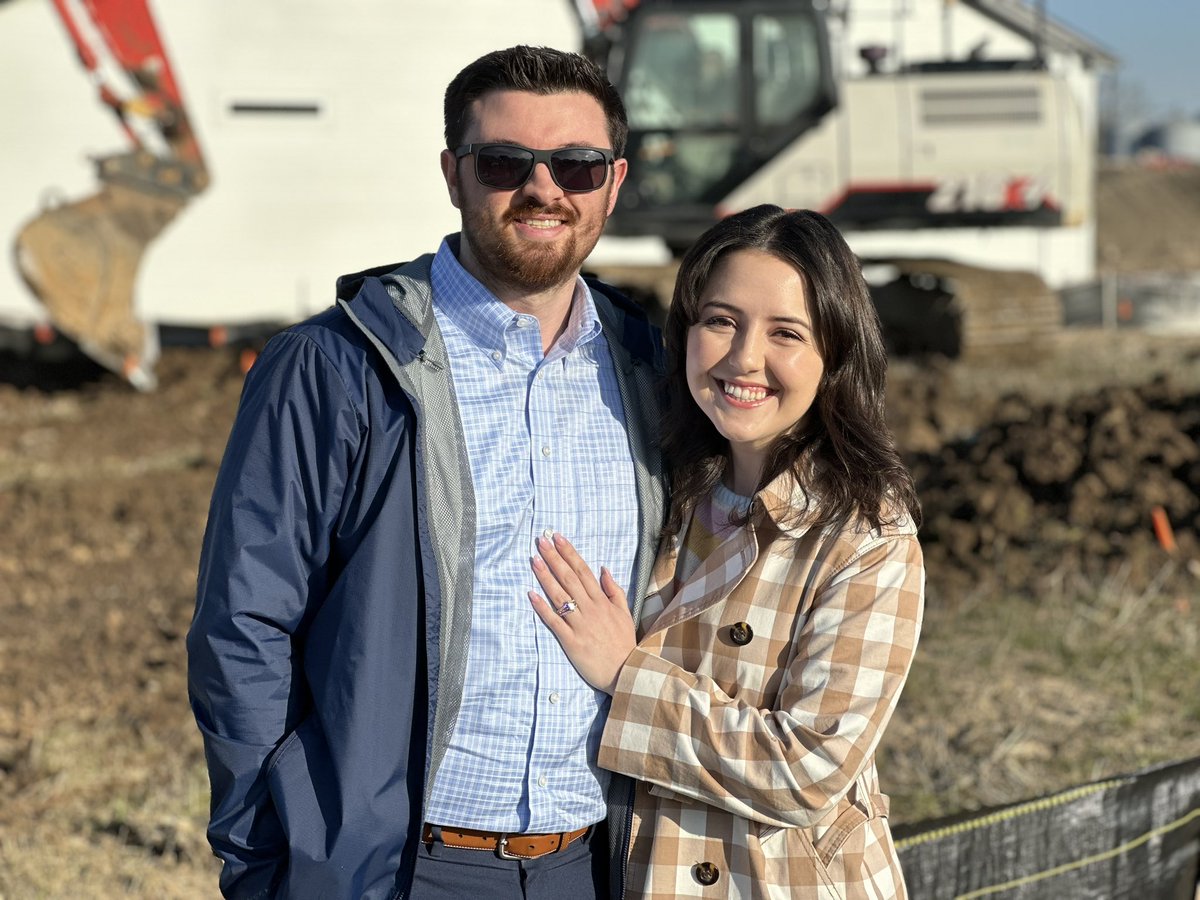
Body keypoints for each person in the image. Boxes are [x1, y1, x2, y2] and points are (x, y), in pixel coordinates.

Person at [186, 46, 668, 900]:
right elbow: (242, 629)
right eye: (504, 162)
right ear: (453, 173)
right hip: (397, 872)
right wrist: (267, 861)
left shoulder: (651, 372)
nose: (544, 188)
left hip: (598, 866)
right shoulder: (335, 368)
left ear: (615, 180)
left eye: (577, 166)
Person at [528, 204, 926, 899]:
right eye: (721, 321)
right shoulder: (661, 493)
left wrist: (627, 676)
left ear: (834, 353)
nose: (744, 358)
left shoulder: (867, 534)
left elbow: (807, 771)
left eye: (786, 333)